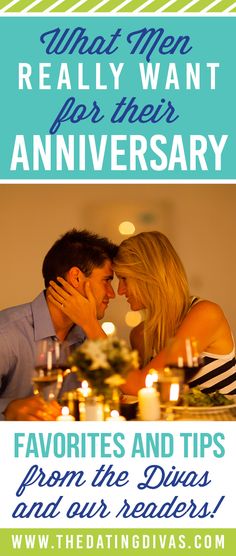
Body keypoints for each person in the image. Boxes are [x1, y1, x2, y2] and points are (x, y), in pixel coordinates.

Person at [49, 231, 236, 397]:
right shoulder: (139, 335)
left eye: (124, 278)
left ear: (149, 275)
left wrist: (89, 323)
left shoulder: (205, 314)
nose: (119, 291)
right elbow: (142, 395)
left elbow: (138, 386)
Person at [0, 229, 117, 420]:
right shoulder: (6, 332)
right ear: (76, 277)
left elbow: (119, 391)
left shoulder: (91, 336)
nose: (112, 294)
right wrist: (8, 409)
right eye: (106, 281)